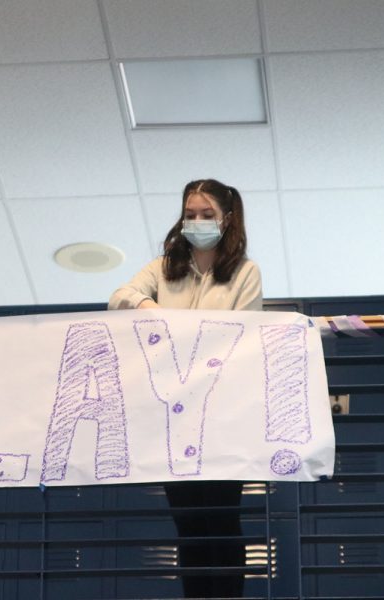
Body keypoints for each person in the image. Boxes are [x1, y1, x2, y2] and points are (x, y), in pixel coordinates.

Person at [108, 178, 262, 598]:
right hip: (172, 413)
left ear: (227, 219)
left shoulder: (244, 272)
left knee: (223, 518)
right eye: (190, 214)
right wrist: (150, 307)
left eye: (206, 215)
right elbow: (120, 295)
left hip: (219, 414)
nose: (196, 221)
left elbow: (241, 333)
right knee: (188, 522)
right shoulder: (163, 268)